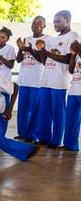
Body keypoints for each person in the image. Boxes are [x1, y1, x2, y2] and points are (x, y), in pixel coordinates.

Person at [36, 10, 80, 148]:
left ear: (67, 20)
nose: (55, 24)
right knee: (44, 112)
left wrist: (47, 52)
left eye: (58, 21)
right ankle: (44, 137)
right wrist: (41, 51)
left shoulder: (73, 35)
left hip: (59, 81)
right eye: (54, 21)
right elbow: (45, 61)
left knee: (58, 114)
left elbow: (68, 58)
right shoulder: (51, 40)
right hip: (46, 80)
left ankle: (56, 141)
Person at [15, 16, 50, 142]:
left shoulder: (48, 39)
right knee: (23, 108)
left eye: (39, 23)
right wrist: (20, 49)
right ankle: (22, 133)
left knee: (35, 109)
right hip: (24, 79)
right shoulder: (26, 39)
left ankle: (32, 135)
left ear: (44, 26)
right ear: (31, 26)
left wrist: (31, 49)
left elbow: (43, 60)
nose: (36, 25)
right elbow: (19, 60)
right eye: (34, 23)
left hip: (37, 80)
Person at [0, 26, 16, 135]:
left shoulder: (10, 48)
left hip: (4, 84)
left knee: (3, 108)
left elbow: (11, 65)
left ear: (7, 39)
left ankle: (1, 131)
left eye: (3, 37)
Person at [62, 40, 81, 151]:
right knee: (71, 120)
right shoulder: (78, 54)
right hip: (74, 90)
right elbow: (71, 70)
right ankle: (70, 145)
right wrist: (73, 55)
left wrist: (77, 50)